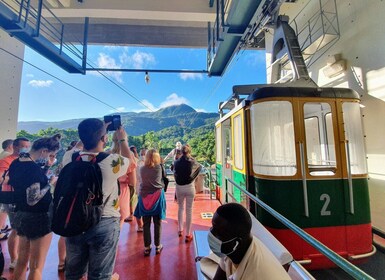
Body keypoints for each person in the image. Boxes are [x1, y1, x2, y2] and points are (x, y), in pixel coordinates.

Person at [62, 118, 131, 280]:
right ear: (105, 139)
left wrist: (95, 132)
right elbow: (131, 161)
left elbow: (79, 145)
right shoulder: (111, 161)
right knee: (100, 275)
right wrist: (122, 139)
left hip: (74, 220)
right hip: (104, 221)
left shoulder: (69, 158)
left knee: (73, 273)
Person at [8, 134, 61, 280]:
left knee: (21, 261)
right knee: (36, 266)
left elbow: (27, 185)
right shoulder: (33, 169)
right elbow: (33, 199)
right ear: (44, 151)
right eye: (51, 154)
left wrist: (46, 171)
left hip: (20, 213)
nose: (50, 157)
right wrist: (50, 183)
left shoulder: (16, 163)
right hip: (38, 217)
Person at [209, 203, 290, 280]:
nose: (211, 233)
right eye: (213, 226)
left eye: (218, 233)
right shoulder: (233, 250)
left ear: (236, 243)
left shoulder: (256, 275)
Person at [0, 137, 31, 269]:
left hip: (23, 197)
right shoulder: (6, 161)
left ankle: (19, 258)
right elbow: (2, 179)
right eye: (23, 146)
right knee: (16, 229)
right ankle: (14, 259)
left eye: (27, 146)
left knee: (21, 229)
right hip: (10, 197)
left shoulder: (27, 161)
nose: (26, 149)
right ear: (15, 146)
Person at [134, 149, 166, 256]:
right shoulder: (159, 167)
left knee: (146, 224)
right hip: (157, 197)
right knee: (158, 223)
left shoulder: (142, 169)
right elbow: (163, 179)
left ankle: (147, 247)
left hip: (144, 198)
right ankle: (158, 246)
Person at [173, 144, 201, 242]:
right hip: (190, 187)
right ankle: (188, 234)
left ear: (181, 152)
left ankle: (180, 230)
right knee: (189, 210)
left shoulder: (176, 162)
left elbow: (173, 170)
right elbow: (199, 167)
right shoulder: (192, 162)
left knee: (180, 208)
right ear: (189, 152)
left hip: (179, 188)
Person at [110, 132, 136, 228]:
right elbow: (133, 182)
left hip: (108, 188)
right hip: (122, 190)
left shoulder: (107, 153)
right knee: (120, 219)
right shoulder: (130, 155)